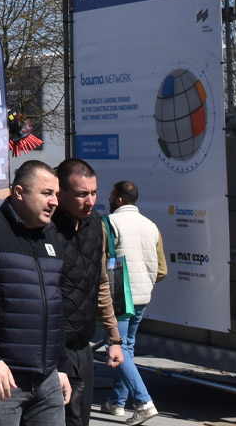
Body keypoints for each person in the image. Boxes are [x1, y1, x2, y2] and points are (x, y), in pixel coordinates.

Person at [0, 159, 71, 426]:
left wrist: (62, 366)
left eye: (56, 194)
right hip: (1, 375)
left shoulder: (52, 237)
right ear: (19, 192)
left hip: (47, 378)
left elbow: (55, 305)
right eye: (46, 193)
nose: (54, 201)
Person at [51, 161, 123, 426]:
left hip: (83, 345)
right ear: (60, 192)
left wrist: (114, 337)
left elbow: (101, 282)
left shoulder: (97, 225)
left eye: (94, 192)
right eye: (82, 194)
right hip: (50, 348)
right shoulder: (45, 227)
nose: (90, 200)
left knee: (80, 420)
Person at [103, 181, 166, 424]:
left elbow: (104, 259)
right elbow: (161, 268)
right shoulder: (151, 226)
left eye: (110, 195)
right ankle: (117, 403)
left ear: (118, 199)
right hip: (142, 295)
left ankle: (143, 402)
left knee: (116, 348)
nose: (108, 198)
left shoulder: (110, 223)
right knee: (126, 347)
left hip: (119, 294)